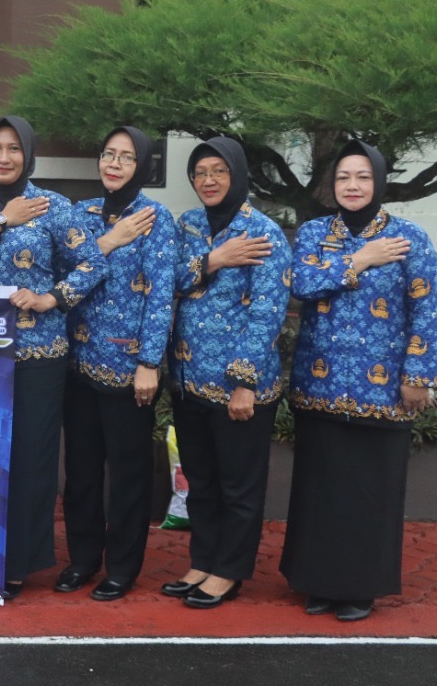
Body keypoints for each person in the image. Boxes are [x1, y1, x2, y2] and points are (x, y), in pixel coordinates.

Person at [0, 115, 107, 599]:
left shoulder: (54, 206)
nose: (3, 157)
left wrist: (52, 298)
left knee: (30, 460)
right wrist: (2, 221)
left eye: (13, 149)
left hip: (38, 355)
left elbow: (93, 263)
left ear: (28, 156)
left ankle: (17, 565)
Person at [281, 140, 437, 622]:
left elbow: (427, 310)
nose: (352, 186)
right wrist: (361, 259)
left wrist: (418, 375)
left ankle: (359, 588)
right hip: (320, 384)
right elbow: (301, 285)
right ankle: (317, 582)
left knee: (370, 491)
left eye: (363, 177)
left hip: (382, 389)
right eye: (343, 177)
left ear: (379, 182)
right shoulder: (315, 233)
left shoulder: (409, 237)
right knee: (321, 489)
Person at [164, 137, 291, 609]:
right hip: (188, 378)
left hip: (239, 386)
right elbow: (167, 281)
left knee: (238, 485)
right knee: (201, 481)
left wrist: (244, 382)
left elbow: (268, 313)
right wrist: (214, 259)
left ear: (237, 174)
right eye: (200, 172)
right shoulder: (189, 225)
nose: (209, 180)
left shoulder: (263, 232)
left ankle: (229, 571)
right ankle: (203, 560)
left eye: (219, 170)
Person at [60, 127, 178, 601]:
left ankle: (122, 567)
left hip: (129, 368)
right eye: (108, 154)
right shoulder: (80, 213)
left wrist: (150, 361)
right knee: (81, 471)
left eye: (126, 157)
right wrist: (109, 241)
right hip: (77, 362)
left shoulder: (156, 218)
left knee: (128, 474)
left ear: (142, 165)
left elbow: (161, 295)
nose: (114, 163)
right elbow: (64, 275)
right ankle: (83, 559)